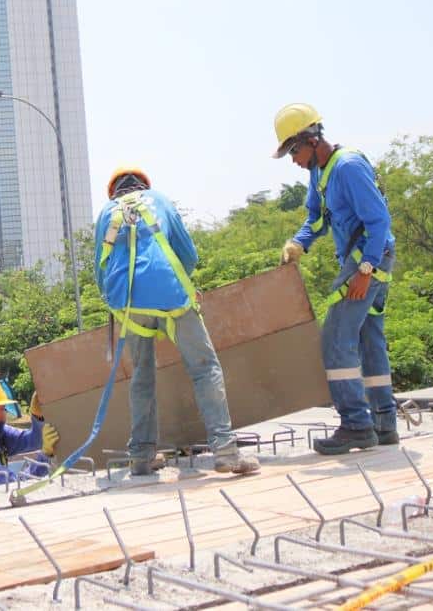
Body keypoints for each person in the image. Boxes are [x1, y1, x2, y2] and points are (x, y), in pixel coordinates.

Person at [94, 167, 259, 476]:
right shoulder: (159, 200)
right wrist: (180, 284)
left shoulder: (106, 213)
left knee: (141, 376)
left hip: (127, 302)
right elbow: (188, 254)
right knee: (204, 367)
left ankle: (141, 458)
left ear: (114, 190)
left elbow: (99, 271)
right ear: (143, 185)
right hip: (169, 292)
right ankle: (225, 452)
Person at [273, 103, 397, 454]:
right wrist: (299, 242)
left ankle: (357, 424)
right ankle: (384, 423)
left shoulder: (349, 167)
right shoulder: (320, 172)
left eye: (294, 151)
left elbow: (378, 222)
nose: (293, 160)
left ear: (311, 140)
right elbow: (316, 218)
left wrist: (364, 271)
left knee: (335, 339)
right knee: (369, 338)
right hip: (365, 262)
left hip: (369, 261)